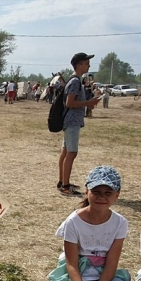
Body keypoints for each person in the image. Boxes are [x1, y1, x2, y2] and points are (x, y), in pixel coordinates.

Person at [58, 53, 101, 196]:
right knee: (71, 152)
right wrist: (89, 102)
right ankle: (65, 186)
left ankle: (62, 181)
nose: (89, 65)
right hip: (72, 122)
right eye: (86, 63)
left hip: (70, 121)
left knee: (65, 152)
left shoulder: (75, 80)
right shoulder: (75, 81)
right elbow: (70, 103)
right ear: (79, 65)